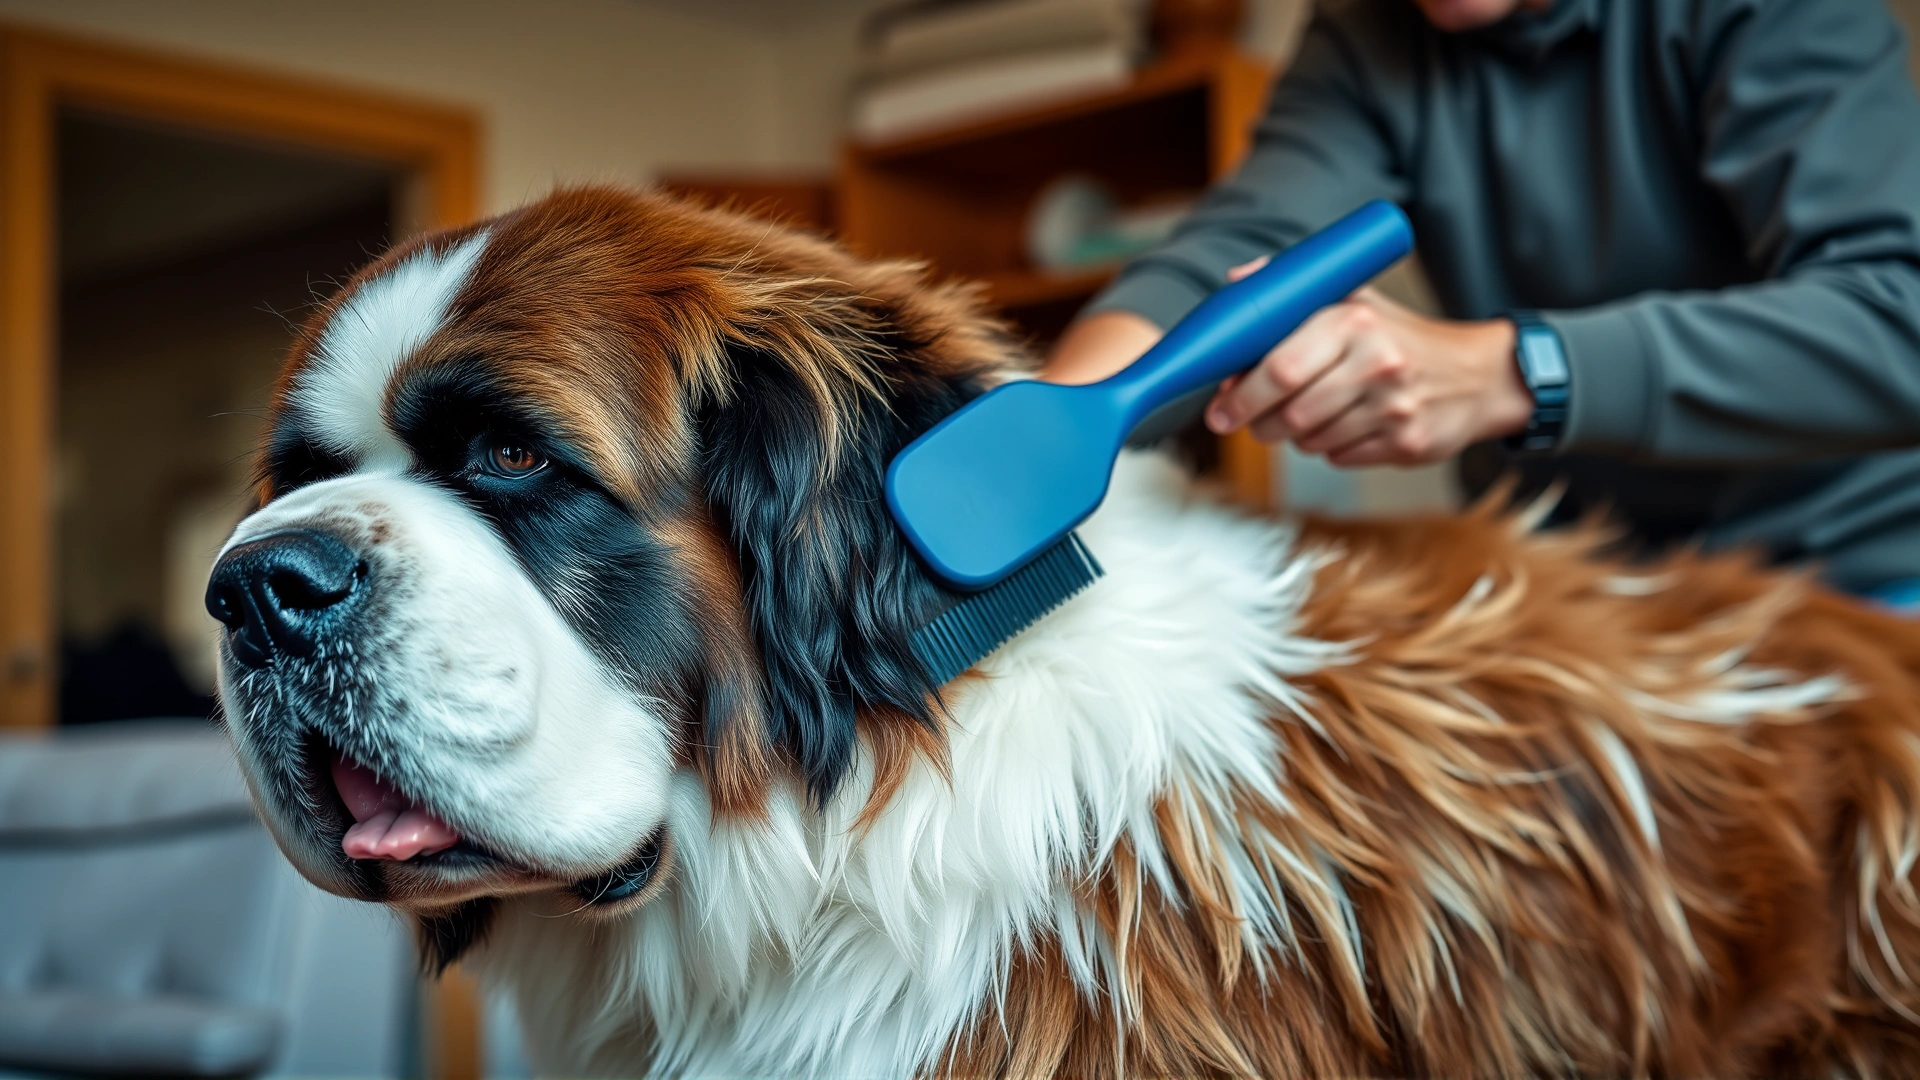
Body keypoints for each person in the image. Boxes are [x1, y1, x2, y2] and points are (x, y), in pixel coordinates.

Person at [1045, 0, 1920, 609]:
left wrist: (1516, 372)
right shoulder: (1360, 41)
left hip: (1850, 586)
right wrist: (1054, 424)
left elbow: (1898, 314)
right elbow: (1230, 253)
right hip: (1574, 596)